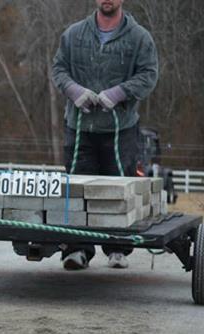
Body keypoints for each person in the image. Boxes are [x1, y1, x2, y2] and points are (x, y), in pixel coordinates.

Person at [52, 0, 158, 270]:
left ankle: (117, 249)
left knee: (118, 191)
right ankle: (77, 249)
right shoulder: (73, 35)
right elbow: (59, 69)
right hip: (80, 130)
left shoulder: (139, 38)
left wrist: (119, 93)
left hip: (120, 130)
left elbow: (148, 75)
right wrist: (75, 91)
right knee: (77, 191)